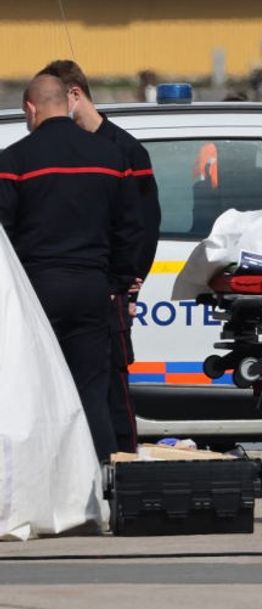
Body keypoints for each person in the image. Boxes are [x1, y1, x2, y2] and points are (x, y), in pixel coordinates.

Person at [0, 74, 144, 462]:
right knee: (92, 393)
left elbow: (3, 236)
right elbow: (131, 229)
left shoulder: (12, 162)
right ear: (69, 102)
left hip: (35, 294)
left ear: (30, 109)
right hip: (91, 290)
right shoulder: (112, 159)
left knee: (33, 395)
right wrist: (116, 281)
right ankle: (99, 489)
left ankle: (42, 489)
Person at [38, 60, 161, 454]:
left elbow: (144, 223)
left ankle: (120, 463)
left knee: (111, 383)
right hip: (85, 285)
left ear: (74, 95)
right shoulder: (68, 151)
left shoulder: (124, 150)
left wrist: (127, 281)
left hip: (110, 289)